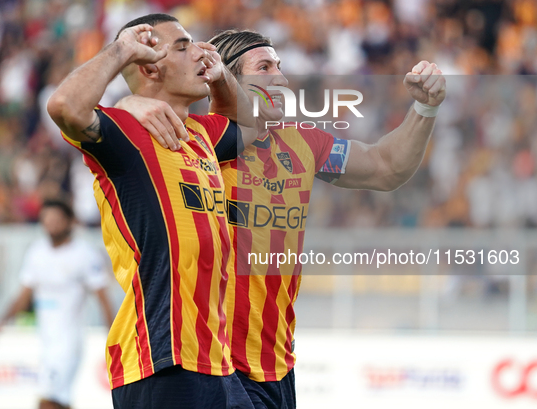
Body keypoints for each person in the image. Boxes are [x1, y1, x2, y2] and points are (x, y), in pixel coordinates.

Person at [117, 29, 446, 409]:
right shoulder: (192, 140)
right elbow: (102, 128)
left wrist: (425, 109)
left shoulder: (303, 143)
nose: (282, 78)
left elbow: (386, 167)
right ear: (228, 79)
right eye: (265, 67)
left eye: (280, 66)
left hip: (277, 364)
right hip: (212, 361)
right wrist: (131, 104)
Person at [46, 14, 257, 409]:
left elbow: (248, 127)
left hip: (216, 360)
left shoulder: (200, 133)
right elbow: (64, 106)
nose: (201, 51)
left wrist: (222, 77)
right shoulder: (124, 129)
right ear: (148, 67)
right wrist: (123, 48)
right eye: (183, 46)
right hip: (160, 356)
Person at [0, 199, 114, 409]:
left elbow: (102, 297)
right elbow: (25, 294)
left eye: (57, 219)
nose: (51, 224)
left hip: (68, 344)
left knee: (48, 401)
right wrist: (2, 320)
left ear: (69, 222)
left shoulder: (84, 254)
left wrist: (112, 335)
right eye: (47, 219)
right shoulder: (37, 252)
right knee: (59, 401)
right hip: (46, 343)